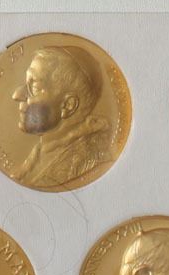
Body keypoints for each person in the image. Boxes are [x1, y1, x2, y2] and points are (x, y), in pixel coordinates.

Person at [10, 45, 112, 189]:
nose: (16, 95)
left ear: (68, 106)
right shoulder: (42, 152)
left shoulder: (90, 161)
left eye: (35, 87)